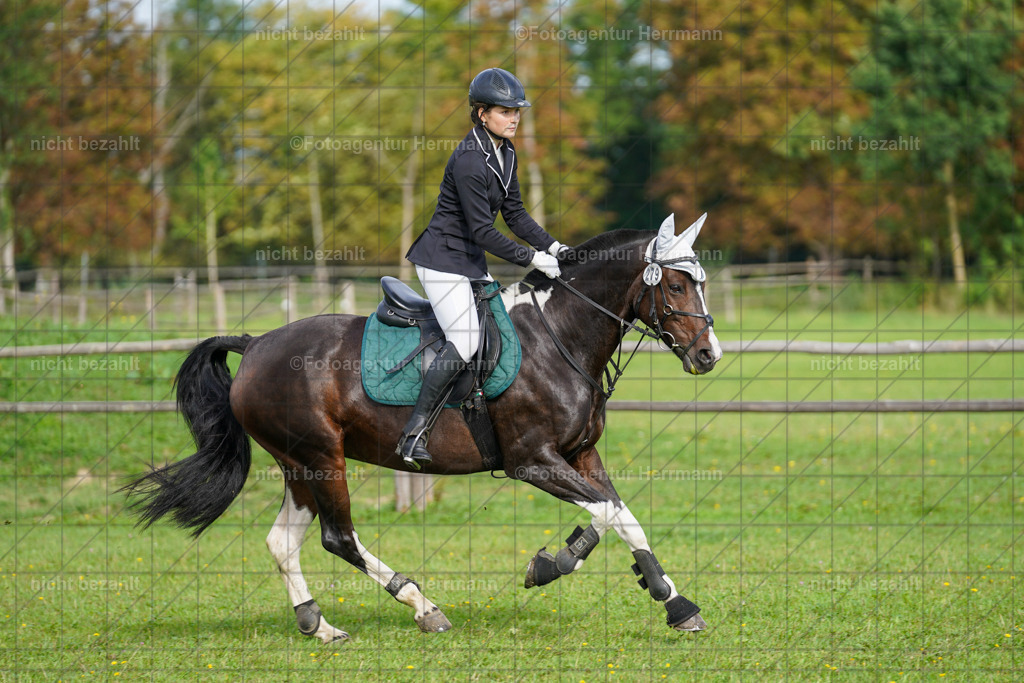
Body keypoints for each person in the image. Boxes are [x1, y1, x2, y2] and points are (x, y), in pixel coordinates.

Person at [398, 66, 568, 470]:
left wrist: (555, 247)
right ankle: (414, 432)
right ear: (481, 114)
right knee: (468, 338)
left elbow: (516, 215)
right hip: (442, 261)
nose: (514, 118)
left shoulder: (506, 153)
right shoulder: (470, 160)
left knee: (504, 329)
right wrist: (532, 259)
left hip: (469, 261)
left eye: (517, 111)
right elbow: (481, 231)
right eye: (506, 111)